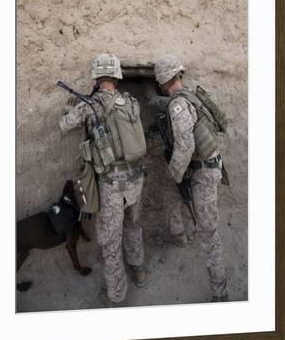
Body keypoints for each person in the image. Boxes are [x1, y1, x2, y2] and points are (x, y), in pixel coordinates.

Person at [59, 54, 147, 307]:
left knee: (110, 239)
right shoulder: (130, 102)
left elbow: (64, 125)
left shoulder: (88, 105)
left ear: (96, 78)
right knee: (133, 225)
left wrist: (70, 105)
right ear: (117, 77)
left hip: (111, 183)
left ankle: (117, 295)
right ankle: (139, 270)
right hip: (135, 178)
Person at [150, 54, 229, 302]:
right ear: (179, 75)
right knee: (176, 197)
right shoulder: (191, 95)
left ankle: (220, 291)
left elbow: (185, 146)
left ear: (163, 82)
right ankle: (179, 236)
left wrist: (174, 172)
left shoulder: (178, 106)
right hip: (209, 164)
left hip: (203, 173)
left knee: (209, 232)